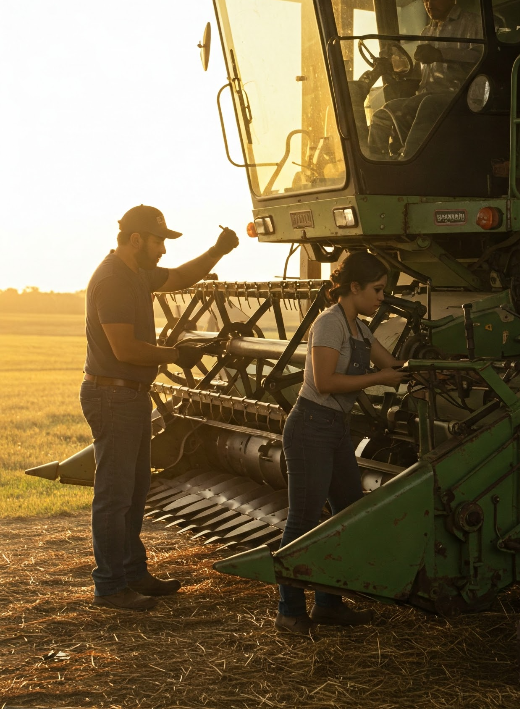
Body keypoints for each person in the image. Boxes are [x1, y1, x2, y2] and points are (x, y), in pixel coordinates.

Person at [81, 205, 239, 611]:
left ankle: (133, 574)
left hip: (128, 395)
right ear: (136, 239)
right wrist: (174, 354)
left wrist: (216, 251)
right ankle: (110, 586)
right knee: (114, 495)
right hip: (113, 396)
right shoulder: (114, 280)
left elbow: (180, 277)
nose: (163, 250)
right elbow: (125, 348)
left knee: (134, 490)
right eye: (159, 241)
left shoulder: (136, 273)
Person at [275, 251, 407, 636]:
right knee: (303, 520)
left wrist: (438, 371)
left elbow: (394, 366)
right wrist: (378, 379)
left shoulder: (359, 328)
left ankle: (329, 604)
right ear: (354, 287)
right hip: (309, 427)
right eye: (377, 289)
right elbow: (326, 382)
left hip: (335, 429)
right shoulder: (329, 324)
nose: (382, 297)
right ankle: (288, 611)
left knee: (347, 514)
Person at [367, 0, 483, 159]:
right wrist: (395, 68)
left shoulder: (472, 23)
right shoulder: (427, 31)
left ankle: (409, 162)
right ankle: (378, 164)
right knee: (385, 112)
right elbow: (426, 72)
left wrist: (440, 55)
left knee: (428, 104)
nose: (429, 4)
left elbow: (480, 58)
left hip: (460, 97)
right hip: (425, 96)